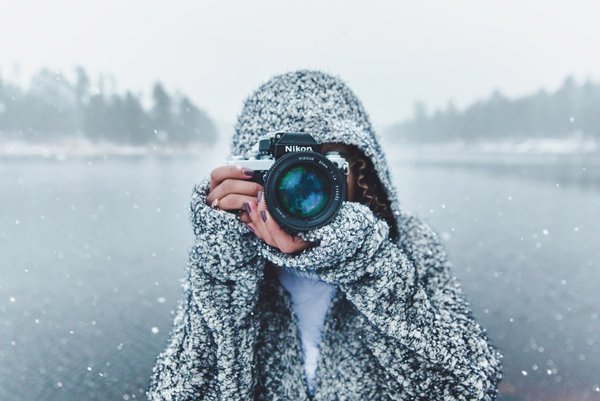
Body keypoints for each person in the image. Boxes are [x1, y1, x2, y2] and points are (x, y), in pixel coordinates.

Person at [147, 70, 502, 400]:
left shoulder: (409, 244)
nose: (301, 185)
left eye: (324, 163)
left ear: (360, 169)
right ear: (248, 172)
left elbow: (467, 388)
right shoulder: (230, 259)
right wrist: (223, 268)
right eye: (280, 169)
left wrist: (367, 263)